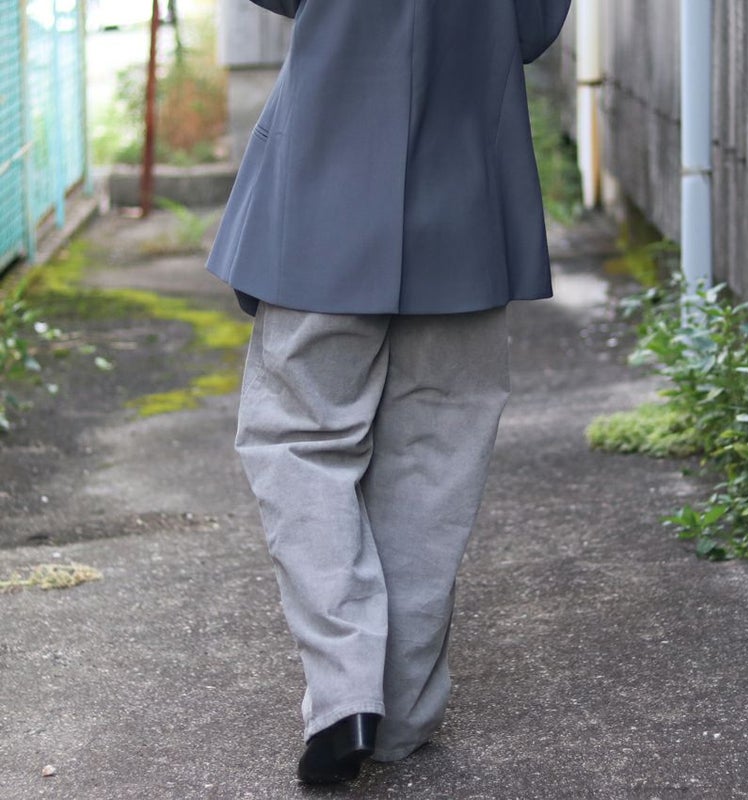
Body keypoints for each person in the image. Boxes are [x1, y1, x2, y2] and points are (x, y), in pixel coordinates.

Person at [207, 0, 571, 784]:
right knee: (436, 459)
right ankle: (399, 714)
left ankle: (346, 699)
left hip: (325, 187)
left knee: (299, 436)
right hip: (469, 196)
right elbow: (535, 25)